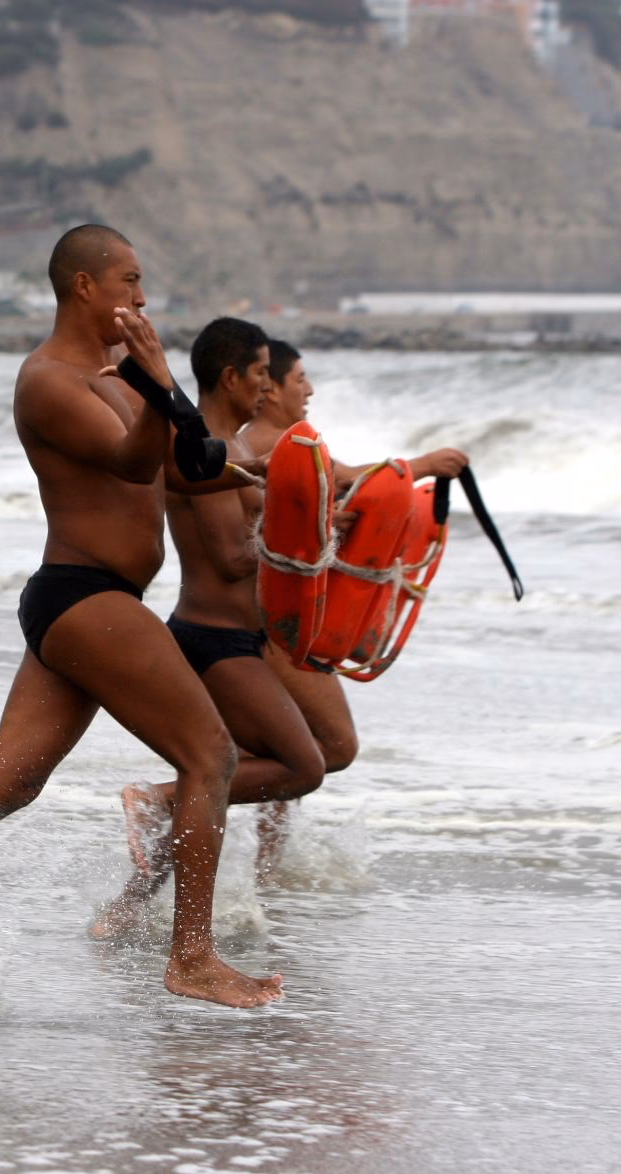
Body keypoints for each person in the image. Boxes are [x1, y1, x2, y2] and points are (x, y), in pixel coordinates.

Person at [0, 225, 282, 1009]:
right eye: (130, 281)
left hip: (89, 602)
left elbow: (176, 467)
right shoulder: (48, 380)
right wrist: (157, 382)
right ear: (84, 286)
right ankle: (193, 957)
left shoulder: (110, 378)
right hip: (86, 595)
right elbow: (131, 458)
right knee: (211, 755)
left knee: (9, 781)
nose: (141, 298)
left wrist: (270, 478)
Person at [121, 336, 468, 879]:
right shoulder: (210, 449)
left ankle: (131, 907)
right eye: (262, 372)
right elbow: (234, 558)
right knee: (299, 763)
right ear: (232, 377)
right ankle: (158, 802)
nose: (268, 384)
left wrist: (329, 520)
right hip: (213, 638)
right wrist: (319, 528)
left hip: (241, 638)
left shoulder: (236, 453)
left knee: (230, 767)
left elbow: (317, 496)